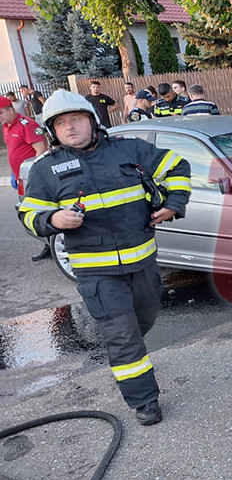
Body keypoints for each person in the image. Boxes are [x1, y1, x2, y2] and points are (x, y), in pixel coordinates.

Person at [18, 91, 191, 425]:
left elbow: (177, 167)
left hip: (143, 263)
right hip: (97, 274)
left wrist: (174, 204)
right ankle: (144, 401)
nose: (70, 127)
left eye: (75, 119)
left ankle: (124, 353)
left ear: (91, 121)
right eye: (61, 123)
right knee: (123, 336)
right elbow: (28, 214)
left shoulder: (130, 149)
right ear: (53, 131)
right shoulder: (46, 169)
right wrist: (53, 220)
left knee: (143, 320)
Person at [1, 96, 52, 262]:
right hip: (21, 176)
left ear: (11, 109)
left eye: (1, 112)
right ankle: (48, 245)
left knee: (37, 211)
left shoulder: (27, 125)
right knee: (32, 212)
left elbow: (41, 151)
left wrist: (33, 177)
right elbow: (13, 150)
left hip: (33, 177)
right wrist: (14, 174)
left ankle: (52, 244)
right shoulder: (6, 126)